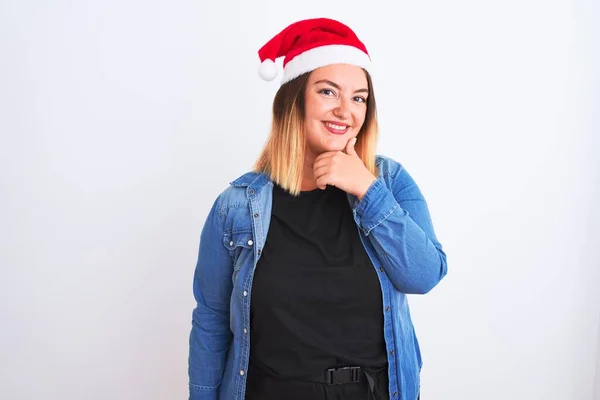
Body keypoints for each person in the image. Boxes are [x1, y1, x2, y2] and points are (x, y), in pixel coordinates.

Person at [188, 17, 447, 400]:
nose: (346, 110)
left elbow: (424, 275)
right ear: (294, 100)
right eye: (329, 92)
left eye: (359, 97)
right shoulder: (238, 206)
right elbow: (211, 321)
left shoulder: (388, 182)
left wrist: (366, 188)